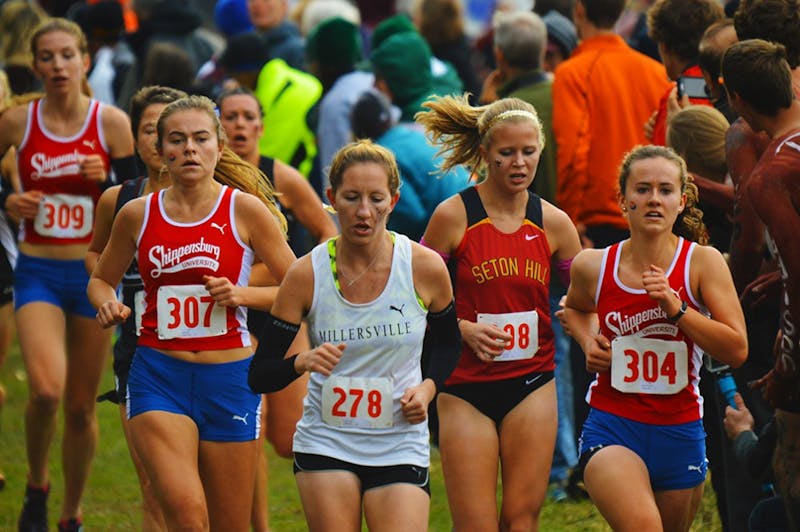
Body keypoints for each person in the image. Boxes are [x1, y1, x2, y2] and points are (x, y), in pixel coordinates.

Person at [87, 94, 296, 531]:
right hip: (158, 377)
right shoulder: (136, 214)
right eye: (177, 140)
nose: (189, 150)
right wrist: (106, 301)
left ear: (219, 146)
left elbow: (299, 290)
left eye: (200, 139)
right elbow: (100, 277)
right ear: (161, 149)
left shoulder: (246, 210)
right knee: (186, 515)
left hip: (230, 379)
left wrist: (241, 295)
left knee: (228, 523)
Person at [248, 139, 461, 531]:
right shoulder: (306, 273)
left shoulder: (424, 267)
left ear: (393, 201)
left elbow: (449, 343)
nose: (364, 212)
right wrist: (301, 361)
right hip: (326, 441)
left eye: (376, 199)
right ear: (331, 198)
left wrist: (428, 389)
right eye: (351, 198)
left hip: (399, 441)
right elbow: (260, 375)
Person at [416, 95, 582, 530]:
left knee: (521, 521)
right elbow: (412, 297)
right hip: (464, 387)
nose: (519, 163)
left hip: (532, 383)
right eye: (507, 152)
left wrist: (583, 326)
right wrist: (459, 328)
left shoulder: (554, 223)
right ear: (485, 152)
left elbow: (585, 297)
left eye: (529, 151)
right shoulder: (453, 216)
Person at [562, 144, 748, 531]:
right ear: (623, 200)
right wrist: (588, 340)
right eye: (642, 189)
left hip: (680, 429)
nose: (653, 200)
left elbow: (736, 348)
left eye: (665, 190)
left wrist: (677, 309)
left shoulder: (702, 263)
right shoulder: (593, 265)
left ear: (681, 202)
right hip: (613, 425)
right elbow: (575, 309)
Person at [0, 17, 138, 532]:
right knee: (44, 392)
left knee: (81, 408)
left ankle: (70, 513)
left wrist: (105, 180)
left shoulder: (112, 124)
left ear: (85, 60)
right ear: (35, 66)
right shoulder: (17, 122)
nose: (58, 65)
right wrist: (8, 201)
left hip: (92, 275)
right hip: (37, 269)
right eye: (47, 57)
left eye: (67, 55)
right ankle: (37, 486)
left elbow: (137, 199)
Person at [216, 85, 337, 532]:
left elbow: (326, 230)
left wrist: (305, 274)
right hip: (224, 314)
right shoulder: (207, 180)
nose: (240, 125)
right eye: (231, 116)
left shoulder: (279, 176)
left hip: (280, 311)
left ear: (262, 128)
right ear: (217, 127)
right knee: (249, 425)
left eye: (248, 117)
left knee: (288, 438)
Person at [85, 84, 188, 532]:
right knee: (153, 485)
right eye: (150, 129)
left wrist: (235, 290)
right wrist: (108, 296)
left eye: (171, 130)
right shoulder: (120, 199)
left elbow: (271, 267)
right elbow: (96, 257)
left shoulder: (223, 199)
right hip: (140, 351)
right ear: (136, 138)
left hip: (209, 353)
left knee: (203, 489)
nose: (160, 140)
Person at [722, 37, 800, 505]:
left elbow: (798, 280)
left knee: (790, 486)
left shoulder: (770, 176)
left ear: (737, 99)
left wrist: (786, 373)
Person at [645, 0, 724, 145]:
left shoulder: (675, 100)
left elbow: (665, 157)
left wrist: (661, 132)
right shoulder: (728, 82)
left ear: (664, 47)